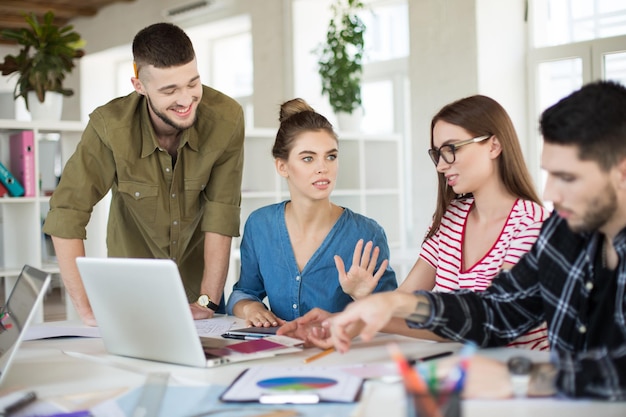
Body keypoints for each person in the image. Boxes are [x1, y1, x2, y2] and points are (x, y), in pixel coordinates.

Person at [323, 80, 626, 400]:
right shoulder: (561, 236)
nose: (550, 193)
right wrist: (396, 302)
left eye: (567, 177)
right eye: (549, 174)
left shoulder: (535, 223)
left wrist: (523, 378)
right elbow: (497, 311)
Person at [281, 95, 550, 350]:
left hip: (519, 378)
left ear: (493, 145)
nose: (441, 166)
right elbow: (408, 302)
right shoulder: (450, 218)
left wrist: (373, 310)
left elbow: (492, 323)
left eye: (451, 149)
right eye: (437, 154)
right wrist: (348, 320)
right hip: (459, 370)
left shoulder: (530, 224)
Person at [42, 23, 245, 326]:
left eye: (193, 83)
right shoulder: (110, 128)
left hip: (199, 294)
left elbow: (221, 213)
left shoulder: (226, 119)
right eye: (169, 90)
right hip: (128, 293)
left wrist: (208, 299)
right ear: (139, 86)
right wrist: (87, 309)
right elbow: (67, 212)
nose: (187, 100)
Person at [226, 98, 397, 327]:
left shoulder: (366, 234)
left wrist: (362, 297)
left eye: (331, 156)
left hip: (341, 356)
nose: (323, 168)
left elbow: (393, 318)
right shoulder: (259, 225)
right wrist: (251, 307)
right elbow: (243, 292)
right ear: (282, 166)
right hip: (277, 356)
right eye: (308, 158)